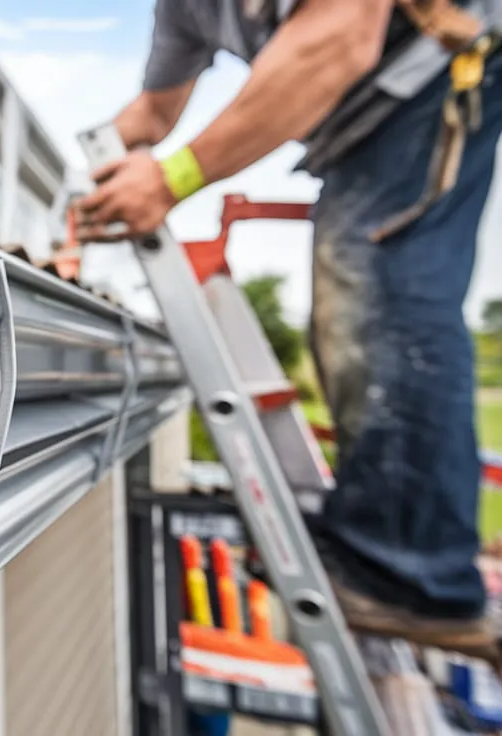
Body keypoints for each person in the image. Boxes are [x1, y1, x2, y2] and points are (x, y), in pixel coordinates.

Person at [74, 0, 500, 659]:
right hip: (364, 117)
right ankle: (385, 540)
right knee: (349, 308)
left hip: (431, 74)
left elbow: (340, 36)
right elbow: (154, 115)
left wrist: (170, 180)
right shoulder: (182, 11)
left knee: (383, 294)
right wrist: (88, 177)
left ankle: (412, 573)